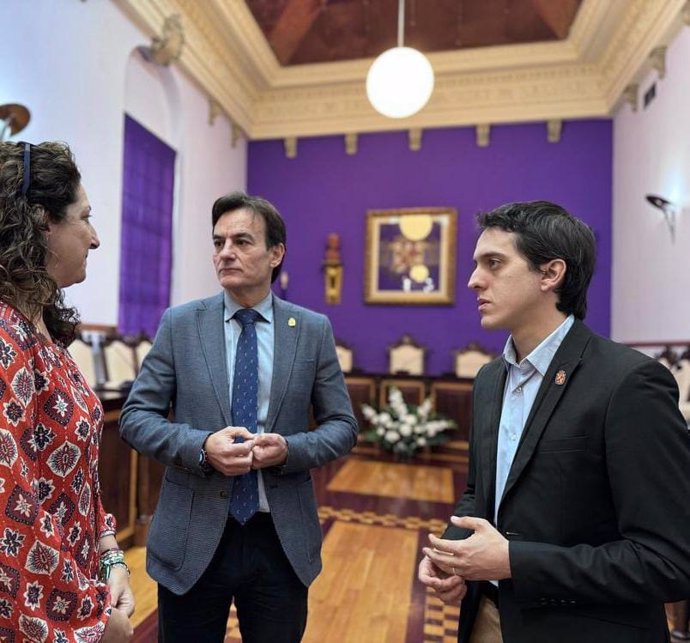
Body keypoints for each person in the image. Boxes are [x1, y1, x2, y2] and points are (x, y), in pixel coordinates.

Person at [418, 200, 690, 643]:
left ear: (550, 274)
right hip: (486, 618)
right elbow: (480, 494)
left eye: (494, 263)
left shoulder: (630, 383)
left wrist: (513, 562)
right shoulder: (490, 379)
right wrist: (452, 555)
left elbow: (668, 560)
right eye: (476, 264)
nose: (472, 280)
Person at [119, 191, 358, 642]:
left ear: (276, 254)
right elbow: (135, 417)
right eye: (218, 242)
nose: (225, 252)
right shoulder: (180, 324)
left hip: (280, 536)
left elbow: (343, 428)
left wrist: (290, 449)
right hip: (193, 537)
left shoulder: (311, 330)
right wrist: (201, 447)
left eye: (242, 241)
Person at [0, 141, 134, 641]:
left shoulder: (45, 333)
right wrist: (93, 621)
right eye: (85, 217)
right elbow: (8, 512)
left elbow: (75, 474)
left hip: (81, 585)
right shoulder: (5, 334)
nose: (95, 238)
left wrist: (109, 555)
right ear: (40, 222)